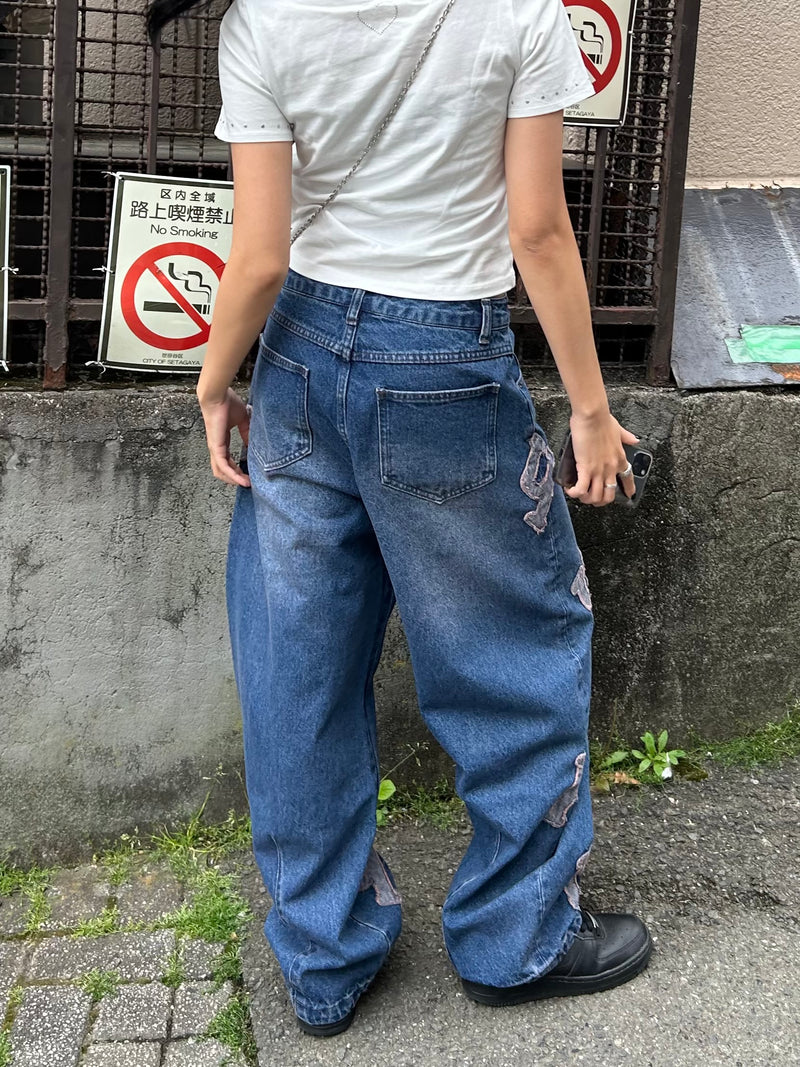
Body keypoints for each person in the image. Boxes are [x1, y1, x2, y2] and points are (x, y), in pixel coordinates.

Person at [148, 0, 653, 1037]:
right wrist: (590, 413)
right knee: (511, 648)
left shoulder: (262, 18)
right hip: (442, 363)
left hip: (298, 356)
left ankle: (322, 956)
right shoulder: (520, 10)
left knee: (298, 663)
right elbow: (536, 229)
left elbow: (260, 256)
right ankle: (516, 936)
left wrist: (212, 381)